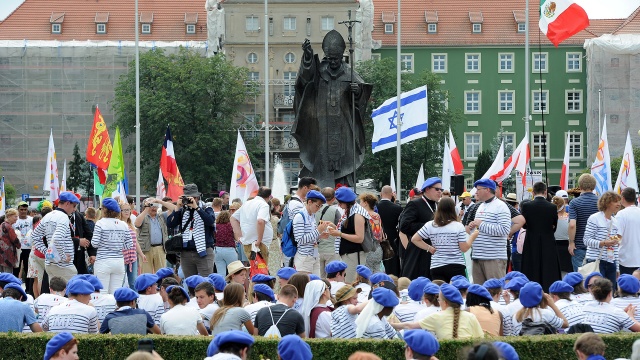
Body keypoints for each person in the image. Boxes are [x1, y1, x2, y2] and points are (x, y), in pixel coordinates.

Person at [293, 31, 372, 187]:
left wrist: (357, 92)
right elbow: (304, 79)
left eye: (336, 59)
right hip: (320, 123)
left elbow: (362, 95)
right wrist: (308, 56)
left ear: (341, 56)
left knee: (344, 156)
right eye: (330, 59)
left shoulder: (349, 73)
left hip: (342, 123)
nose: (333, 62)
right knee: (320, 154)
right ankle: (318, 185)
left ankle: (343, 184)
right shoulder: (319, 72)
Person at [411, 197, 477, 283]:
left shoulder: (430, 225)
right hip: (456, 264)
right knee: (458, 293)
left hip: (437, 265)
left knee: (440, 294)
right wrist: (472, 237)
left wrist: (429, 248)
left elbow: (415, 239)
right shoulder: (458, 226)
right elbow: (464, 248)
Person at [166, 184, 215, 277]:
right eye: (187, 197)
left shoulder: (206, 208)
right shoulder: (182, 210)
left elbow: (210, 221)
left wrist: (197, 208)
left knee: (206, 282)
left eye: (192, 197)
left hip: (203, 251)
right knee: (190, 283)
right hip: (186, 253)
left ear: (197, 197)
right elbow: (170, 224)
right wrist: (177, 207)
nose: (189, 200)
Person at [468, 179, 512, 284]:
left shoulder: (501, 206)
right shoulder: (480, 206)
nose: (476, 192)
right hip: (478, 256)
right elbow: (480, 229)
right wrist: (473, 227)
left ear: (487, 189)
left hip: (493, 258)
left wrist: (481, 224)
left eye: (478, 189)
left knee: (495, 292)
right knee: (479, 293)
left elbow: (505, 230)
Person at [398, 177, 443, 280]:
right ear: (427, 189)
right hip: (418, 252)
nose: (440, 192)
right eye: (437, 189)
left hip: (435, 252)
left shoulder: (438, 205)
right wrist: (428, 227)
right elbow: (404, 226)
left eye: (441, 189)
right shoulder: (415, 204)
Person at [520, 182, 560, 292]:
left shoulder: (526, 206)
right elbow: (554, 225)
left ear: (533, 192)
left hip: (531, 240)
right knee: (548, 267)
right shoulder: (552, 207)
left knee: (531, 266)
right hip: (548, 240)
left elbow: (524, 224)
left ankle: (531, 289)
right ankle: (548, 289)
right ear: (545, 192)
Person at [31, 192, 80, 281]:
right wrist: (63, 257)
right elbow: (57, 238)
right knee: (72, 292)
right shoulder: (63, 217)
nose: (74, 210)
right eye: (74, 206)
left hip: (50, 264)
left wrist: (47, 252)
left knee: (56, 293)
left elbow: (34, 236)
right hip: (63, 265)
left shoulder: (48, 216)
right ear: (67, 203)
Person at [92, 198, 133, 294]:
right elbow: (129, 245)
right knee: (115, 293)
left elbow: (95, 243)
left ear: (104, 210)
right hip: (119, 261)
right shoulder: (123, 224)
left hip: (103, 261)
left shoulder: (100, 223)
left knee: (102, 292)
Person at [329, 187, 370, 282]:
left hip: (354, 254)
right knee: (347, 282)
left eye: (340, 203)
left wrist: (339, 233)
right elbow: (349, 231)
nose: (339, 205)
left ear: (346, 202)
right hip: (350, 254)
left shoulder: (357, 214)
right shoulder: (351, 211)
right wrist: (335, 228)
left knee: (350, 283)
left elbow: (359, 238)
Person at [583, 191, 621, 289]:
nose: (619, 204)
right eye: (616, 201)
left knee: (610, 293)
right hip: (596, 260)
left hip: (610, 261)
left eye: (619, 201)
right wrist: (603, 243)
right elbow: (586, 240)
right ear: (607, 203)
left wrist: (617, 267)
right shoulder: (594, 218)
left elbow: (615, 246)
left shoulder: (615, 221)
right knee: (597, 292)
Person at [231, 186, 273, 265]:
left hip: (248, 241)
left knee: (254, 269)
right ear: (268, 197)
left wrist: (239, 236)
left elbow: (233, 218)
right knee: (261, 270)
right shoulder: (263, 205)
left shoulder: (247, 203)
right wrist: (259, 240)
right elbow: (260, 221)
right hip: (260, 243)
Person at [293, 190, 331, 275]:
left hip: (314, 255)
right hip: (304, 257)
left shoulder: (312, 215)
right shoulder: (300, 216)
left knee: (316, 283)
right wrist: (318, 231)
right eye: (317, 206)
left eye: (320, 206)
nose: (318, 209)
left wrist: (320, 236)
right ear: (309, 202)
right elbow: (300, 240)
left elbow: (311, 236)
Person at [134, 197, 174, 274]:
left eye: (155, 205)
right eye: (151, 205)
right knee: (146, 274)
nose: (154, 208)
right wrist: (146, 209)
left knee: (161, 273)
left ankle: (160, 286)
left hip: (160, 248)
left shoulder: (162, 216)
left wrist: (160, 201)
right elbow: (137, 224)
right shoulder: (143, 217)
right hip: (146, 249)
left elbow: (175, 209)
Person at [569, 174, 600, 271]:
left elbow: (572, 225)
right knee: (596, 279)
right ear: (594, 186)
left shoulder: (574, 203)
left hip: (579, 245)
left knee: (579, 278)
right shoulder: (601, 202)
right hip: (597, 246)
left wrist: (571, 242)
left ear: (580, 186)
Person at [118, 200, 146, 291]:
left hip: (132, 257)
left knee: (134, 282)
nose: (127, 212)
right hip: (122, 256)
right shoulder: (118, 224)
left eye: (128, 210)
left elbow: (135, 242)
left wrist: (141, 254)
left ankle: (135, 301)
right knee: (120, 282)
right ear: (120, 211)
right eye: (124, 210)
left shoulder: (131, 224)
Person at [316, 187, 342, 278]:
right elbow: (339, 228)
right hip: (331, 248)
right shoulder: (335, 211)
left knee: (319, 276)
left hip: (316, 248)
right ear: (334, 198)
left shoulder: (314, 209)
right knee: (330, 278)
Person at [377, 185, 402, 277]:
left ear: (381, 194)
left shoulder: (375, 207)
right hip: (392, 237)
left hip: (378, 237)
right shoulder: (397, 208)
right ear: (392, 194)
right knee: (392, 263)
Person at [615, 187, 640, 275]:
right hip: (637, 258)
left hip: (626, 258)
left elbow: (617, 237)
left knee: (626, 287)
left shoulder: (621, 214)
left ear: (623, 198)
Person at [13, 202, 34, 294]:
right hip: (17, 248)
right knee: (16, 269)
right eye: (21, 209)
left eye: (25, 210)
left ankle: (29, 290)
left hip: (29, 248)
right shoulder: (15, 220)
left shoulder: (31, 219)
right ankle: (15, 288)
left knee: (28, 269)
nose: (23, 211)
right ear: (18, 210)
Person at [552, 196, 573, 276]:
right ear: (563, 206)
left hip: (554, 246)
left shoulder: (550, 218)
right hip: (567, 246)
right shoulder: (569, 218)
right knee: (566, 271)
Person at [0, 209, 20, 274]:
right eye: (15, 216)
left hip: (1, 255)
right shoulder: (9, 227)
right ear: (9, 216)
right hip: (7, 256)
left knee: (1, 276)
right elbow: (15, 240)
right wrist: (19, 245)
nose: (17, 218)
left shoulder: (2, 224)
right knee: (7, 276)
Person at [268, 198, 283, 277]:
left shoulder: (259, 220)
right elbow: (280, 233)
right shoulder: (276, 219)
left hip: (262, 244)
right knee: (275, 268)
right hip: (273, 243)